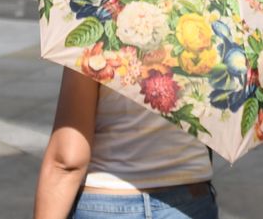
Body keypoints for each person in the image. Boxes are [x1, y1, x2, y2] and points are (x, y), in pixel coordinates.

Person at [34, 68, 217, 219]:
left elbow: (67, 160)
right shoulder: (212, 27)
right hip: (189, 204)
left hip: (105, 203)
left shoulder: (97, 27)